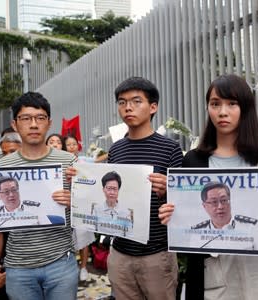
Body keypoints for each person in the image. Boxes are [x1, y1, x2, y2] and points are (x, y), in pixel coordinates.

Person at [159, 74, 258, 300]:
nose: (222, 112)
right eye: (215, 104)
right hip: (210, 275)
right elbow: (186, 228)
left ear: (245, 108)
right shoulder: (193, 161)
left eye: (231, 104)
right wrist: (172, 216)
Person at [102, 77, 183, 299]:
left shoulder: (170, 149)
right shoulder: (115, 150)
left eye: (136, 101)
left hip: (156, 254)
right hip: (120, 252)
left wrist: (168, 189)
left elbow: (186, 201)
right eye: (122, 102)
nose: (128, 107)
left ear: (153, 106)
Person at [0, 91, 78, 300]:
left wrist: (76, 200)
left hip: (61, 262)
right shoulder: (1, 166)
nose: (33, 124)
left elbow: (91, 208)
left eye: (40, 118)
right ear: (15, 124)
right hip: (18, 266)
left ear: (49, 123)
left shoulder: (69, 161)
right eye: (26, 118)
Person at [191, 181, 258, 251]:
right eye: (214, 202)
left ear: (230, 201)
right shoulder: (197, 233)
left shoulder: (249, 227)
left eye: (224, 200)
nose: (220, 206)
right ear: (204, 206)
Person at [61, 134, 96, 282]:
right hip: (66, 207)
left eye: (74, 144)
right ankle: (72, 266)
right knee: (69, 239)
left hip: (82, 205)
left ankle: (83, 267)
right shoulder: (61, 163)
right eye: (69, 145)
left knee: (84, 237)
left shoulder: (84, 161)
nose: (72, 147)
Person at [0, 177, 64, 229]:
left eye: (14, 190)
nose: (11, 195)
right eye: (6, 192)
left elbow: (48, 230)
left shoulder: (34, 208)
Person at [93, 171, 133, 237]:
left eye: (115, 189)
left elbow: (129, 234)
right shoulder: (96, 209)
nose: (112, 192)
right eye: (109, 188)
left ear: (118, 190)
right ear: (103, 189)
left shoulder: (126, 212)